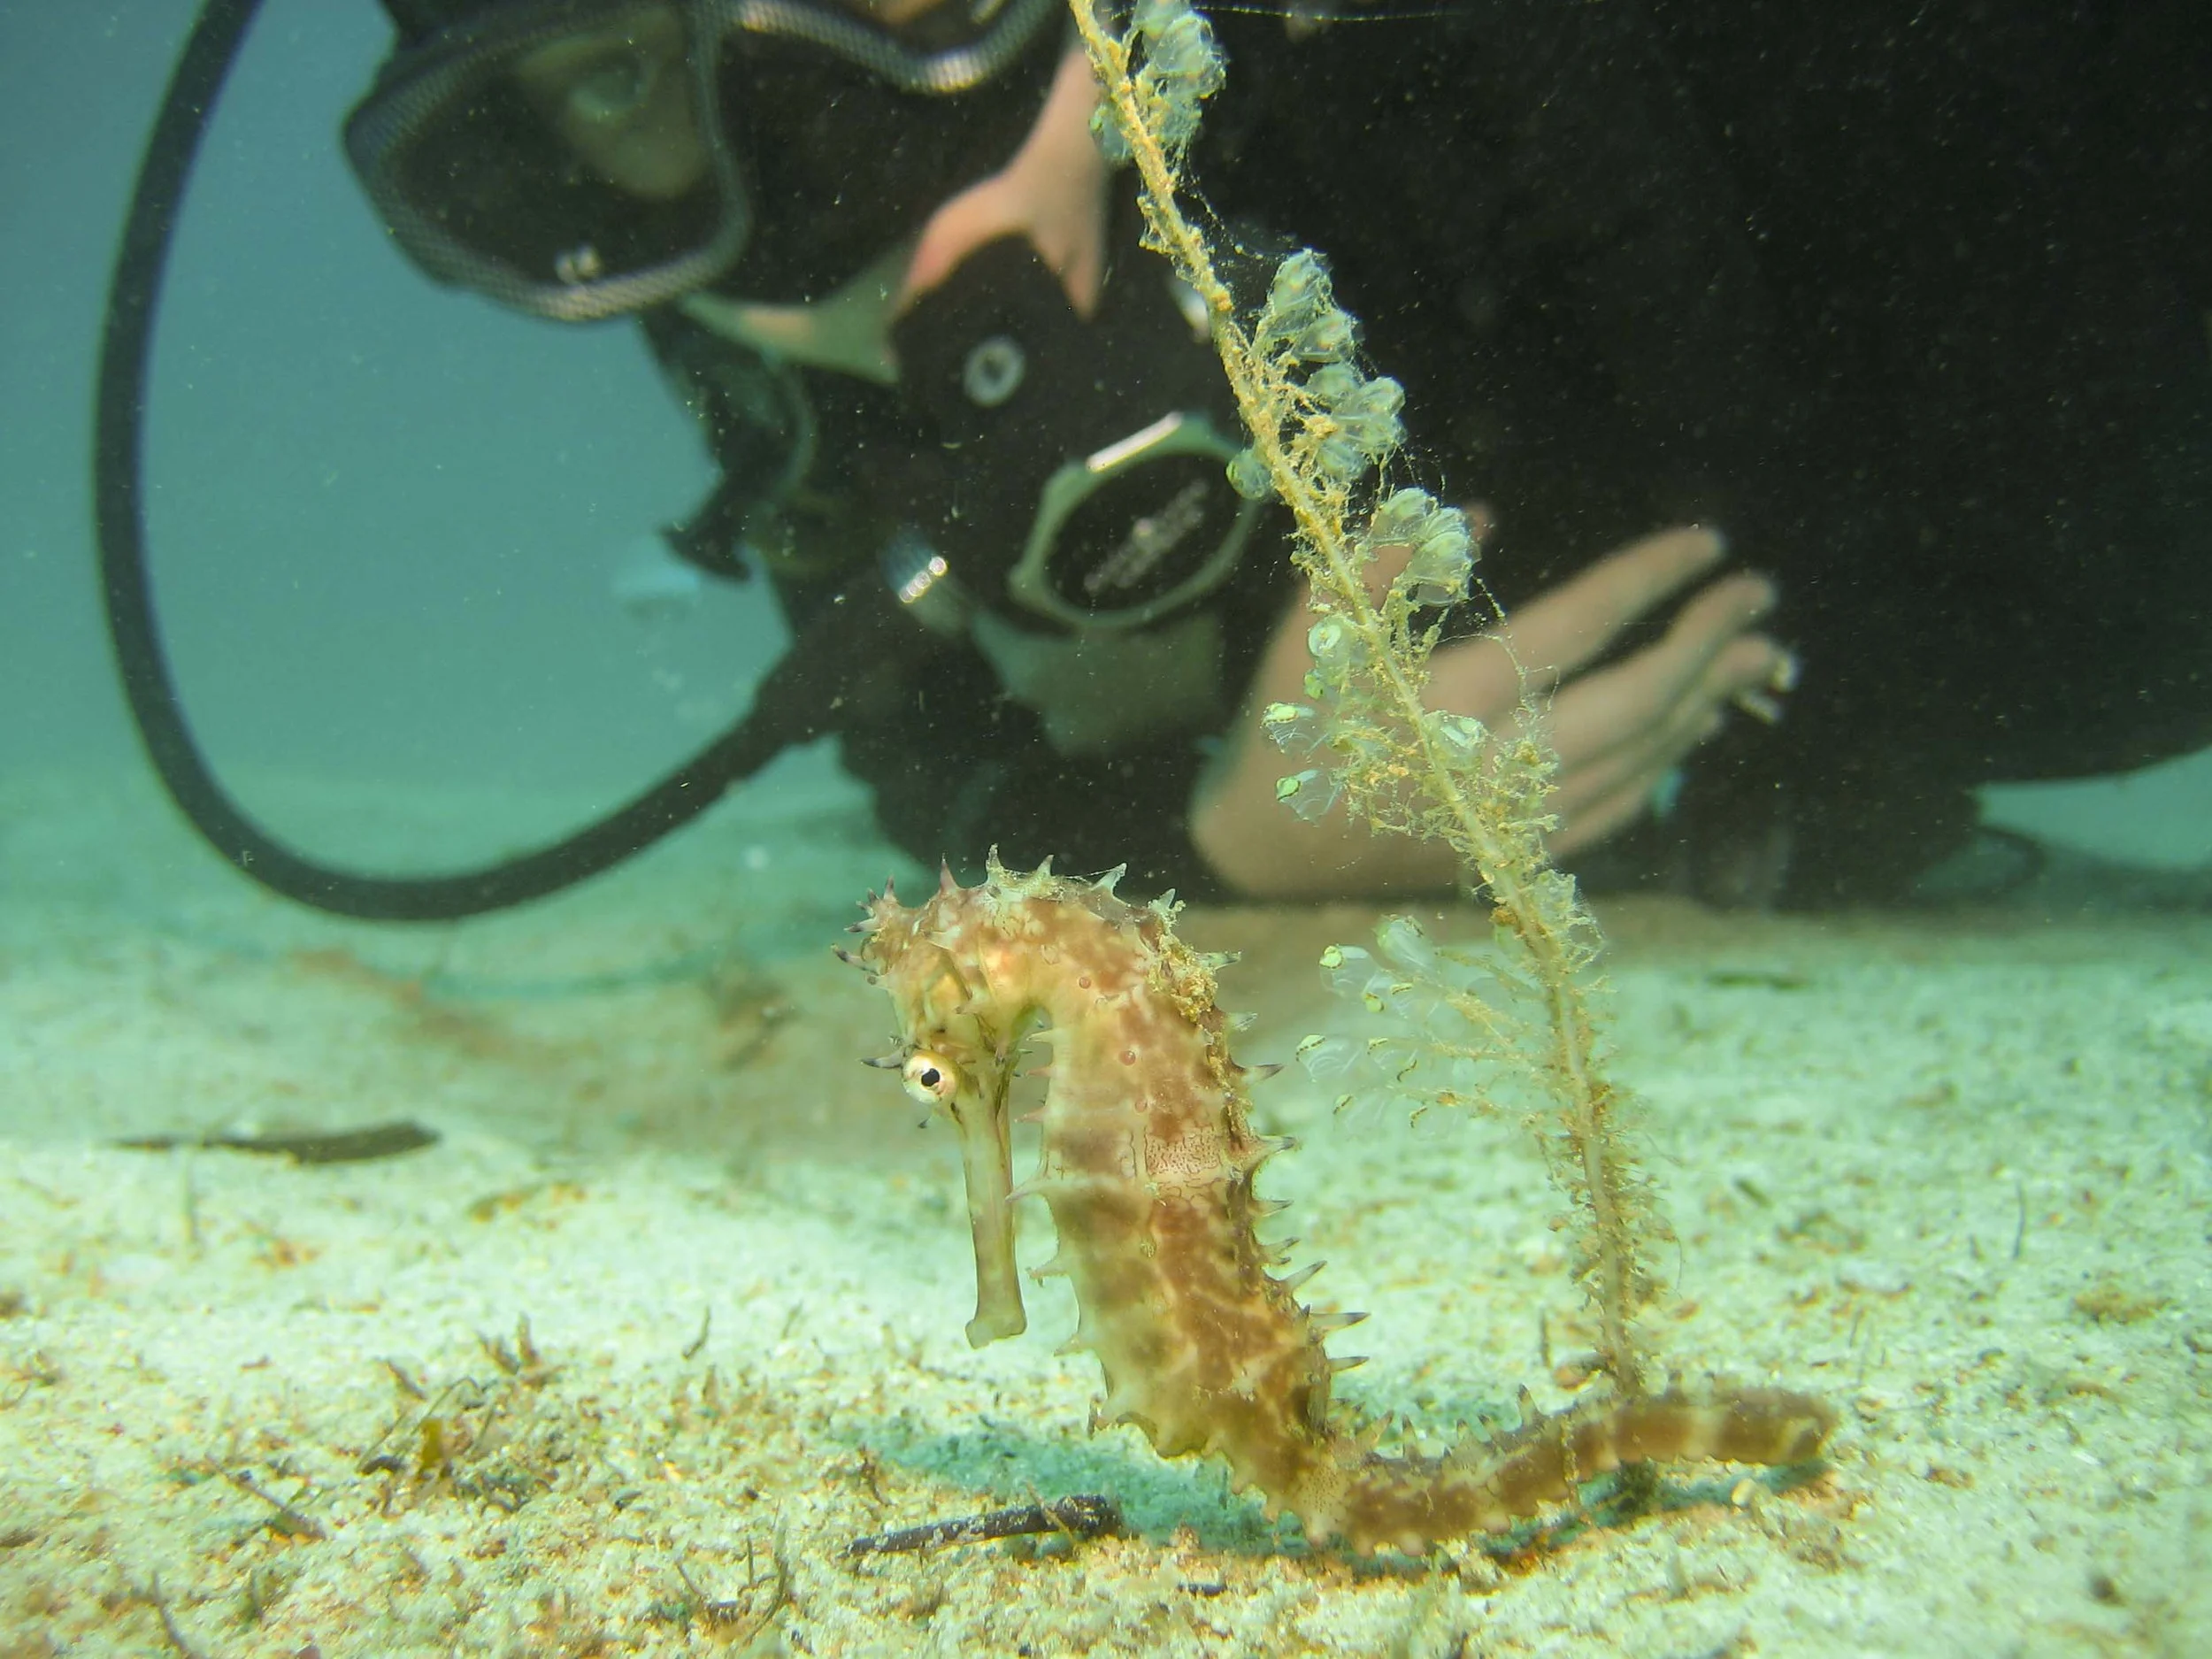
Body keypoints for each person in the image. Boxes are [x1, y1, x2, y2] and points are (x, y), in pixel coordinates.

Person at [346, 0, 2212, 909]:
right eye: (619, 73)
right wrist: (1228, 838)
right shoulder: (769, 354)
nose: (819, 147)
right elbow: (916, 747)